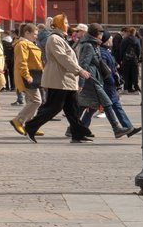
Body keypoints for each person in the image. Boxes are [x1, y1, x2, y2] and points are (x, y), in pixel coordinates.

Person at [21, 14, 93, 143]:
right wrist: (79, 70)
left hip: (66, 80)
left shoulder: (60, 38)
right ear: (59, 24)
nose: (67, 25)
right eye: (65, 22)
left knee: (73, 109)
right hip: (58, 80)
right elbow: (63, 58)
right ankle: (30, 127)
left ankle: (77, 134)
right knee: (53, 107)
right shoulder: (54, 39)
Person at [75, 25, 132, 139]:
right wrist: (81, 83)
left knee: (86, 105)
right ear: (96, 34)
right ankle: (116, 128)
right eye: (101, 33)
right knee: (107, 102)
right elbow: (83, 65)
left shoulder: (93, 44)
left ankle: (73, 128)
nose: (102, 36)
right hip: (91, 79)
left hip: (94, 77)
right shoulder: (89, 46)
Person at [99, 31, 140, 139]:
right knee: (114, 105)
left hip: (109, 83)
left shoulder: (107, 51)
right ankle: (127, 127)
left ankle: (128, 127)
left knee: (103, 106)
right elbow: (104, 68)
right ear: (107, 40)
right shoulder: (103, 52)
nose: (112, 39)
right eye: (110, 38)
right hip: (107, 83)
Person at [9, 23, 44, 136]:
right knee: (36, 101)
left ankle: (30, 126)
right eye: (34, 34)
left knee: (31, 101)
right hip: (28, 77)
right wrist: (27, 75)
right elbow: (21, 62)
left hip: (34, 75)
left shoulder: (29, 43)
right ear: (26, 33)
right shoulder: (22, 44)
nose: (36, 36)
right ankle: (18, 120)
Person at [119, 26, 141, 93]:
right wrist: (137, 57)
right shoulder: (137, 40)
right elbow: (139, 50)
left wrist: (121, 58)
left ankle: (126, 88)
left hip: (126, 59)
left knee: (125, 74)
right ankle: (136, 88)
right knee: (134, 74)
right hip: (134, 60)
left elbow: (121, 50)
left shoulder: (124, 40)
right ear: (134, 32)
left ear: (128, 32)